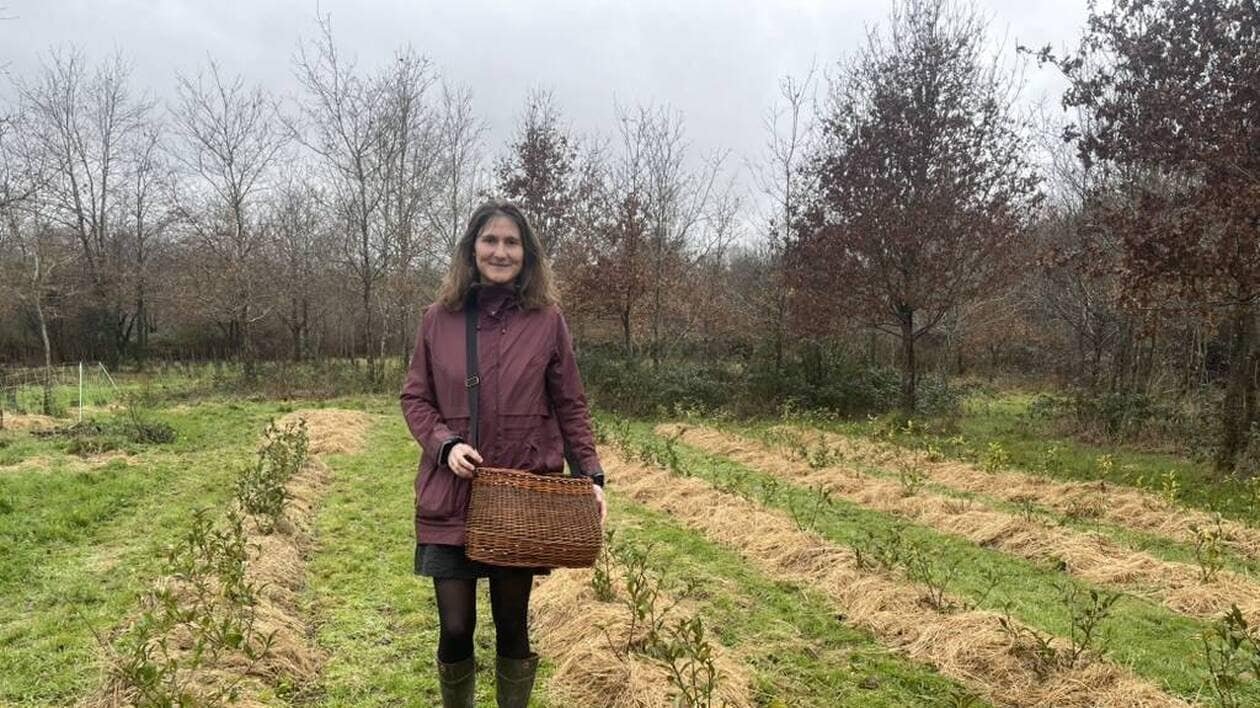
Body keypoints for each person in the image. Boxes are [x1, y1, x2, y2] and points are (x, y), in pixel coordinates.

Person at [401, 199, 607, 708]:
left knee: (513, 626)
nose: (500, 251)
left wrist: (591, 476)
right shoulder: (438, 320)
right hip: (451, 495)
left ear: (526, 253)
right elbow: (415, 397)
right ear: (472, 249)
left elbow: (570, 403)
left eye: (511, 242)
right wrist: (445, 444)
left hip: (519, 498)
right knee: (455, 628)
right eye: (490, 240)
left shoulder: (547, 320)